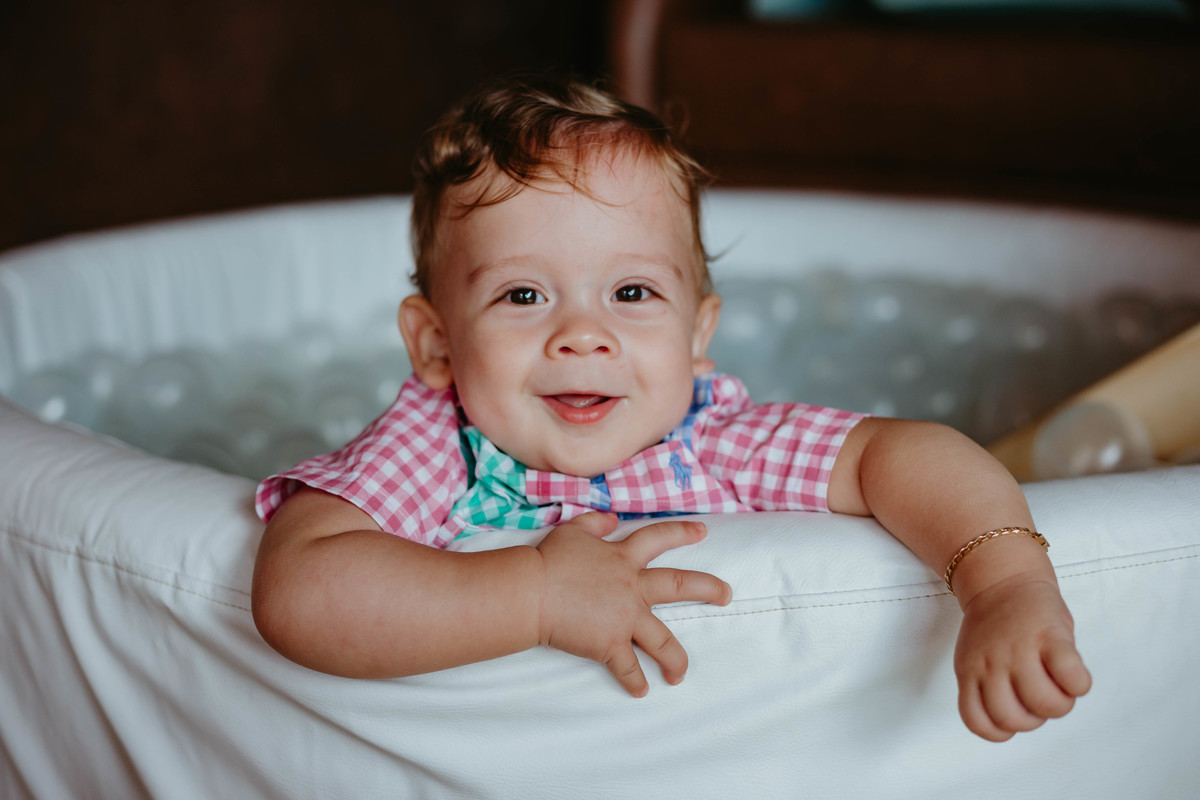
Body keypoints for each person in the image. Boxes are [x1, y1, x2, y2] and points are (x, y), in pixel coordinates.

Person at [251, 74, 1090, 742]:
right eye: (523, 294)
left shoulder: (713, 440)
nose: (583, 335)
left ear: (696, 337)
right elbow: (300, 588)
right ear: (436, 345)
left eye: (631, 292)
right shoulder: (441, 442)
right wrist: (536, 593)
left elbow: (900, 453)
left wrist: (1004, 586)